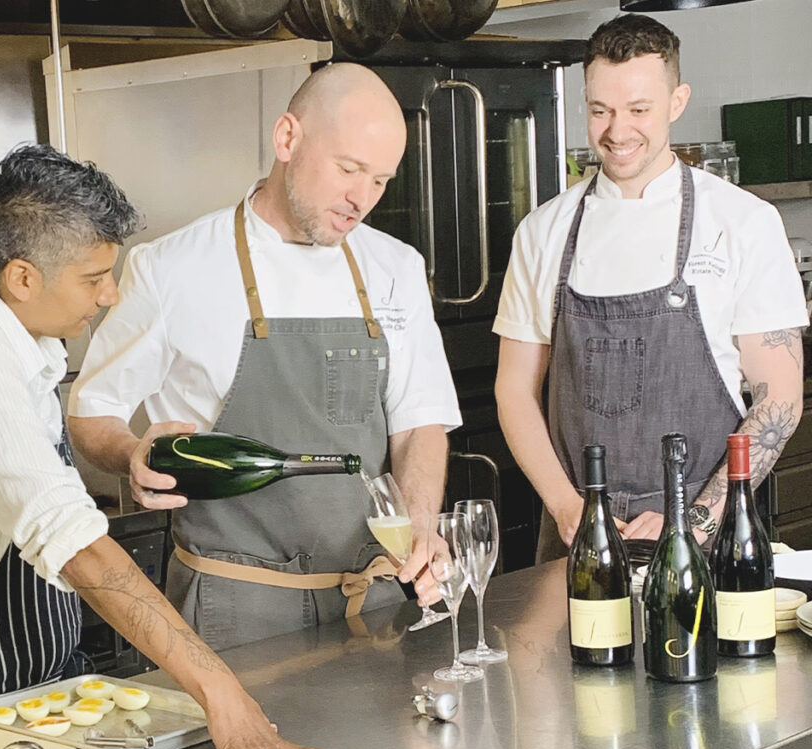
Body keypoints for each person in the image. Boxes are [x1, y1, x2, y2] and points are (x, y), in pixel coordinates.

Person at [0, 143, 340, 749]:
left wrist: (131, 454)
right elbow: (77, 546)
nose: (111, 295)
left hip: (35, 685)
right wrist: (220, 692)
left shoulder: (16, 344)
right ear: (23, 278)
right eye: (94, 279)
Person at [67, 63, 461, 650]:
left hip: (373, 600)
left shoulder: (396, 268)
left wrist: (422, 526)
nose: (362, 199)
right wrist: (132, 453)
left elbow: (418, 424)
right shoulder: (172, 268)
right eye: (349, 169)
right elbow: (90, 414)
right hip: (234, 608)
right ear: (287, 138)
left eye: (380, 180)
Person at [493, 13, 808, 563]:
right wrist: (570, 509)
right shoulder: (543, 232)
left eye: (638, 109)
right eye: (600, 110)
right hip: (576, 536)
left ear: (677, 101)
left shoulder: (742, 222)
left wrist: (696, 519)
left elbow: (778, 397)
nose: (618, 131)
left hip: (708, 537)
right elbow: (515, 391)